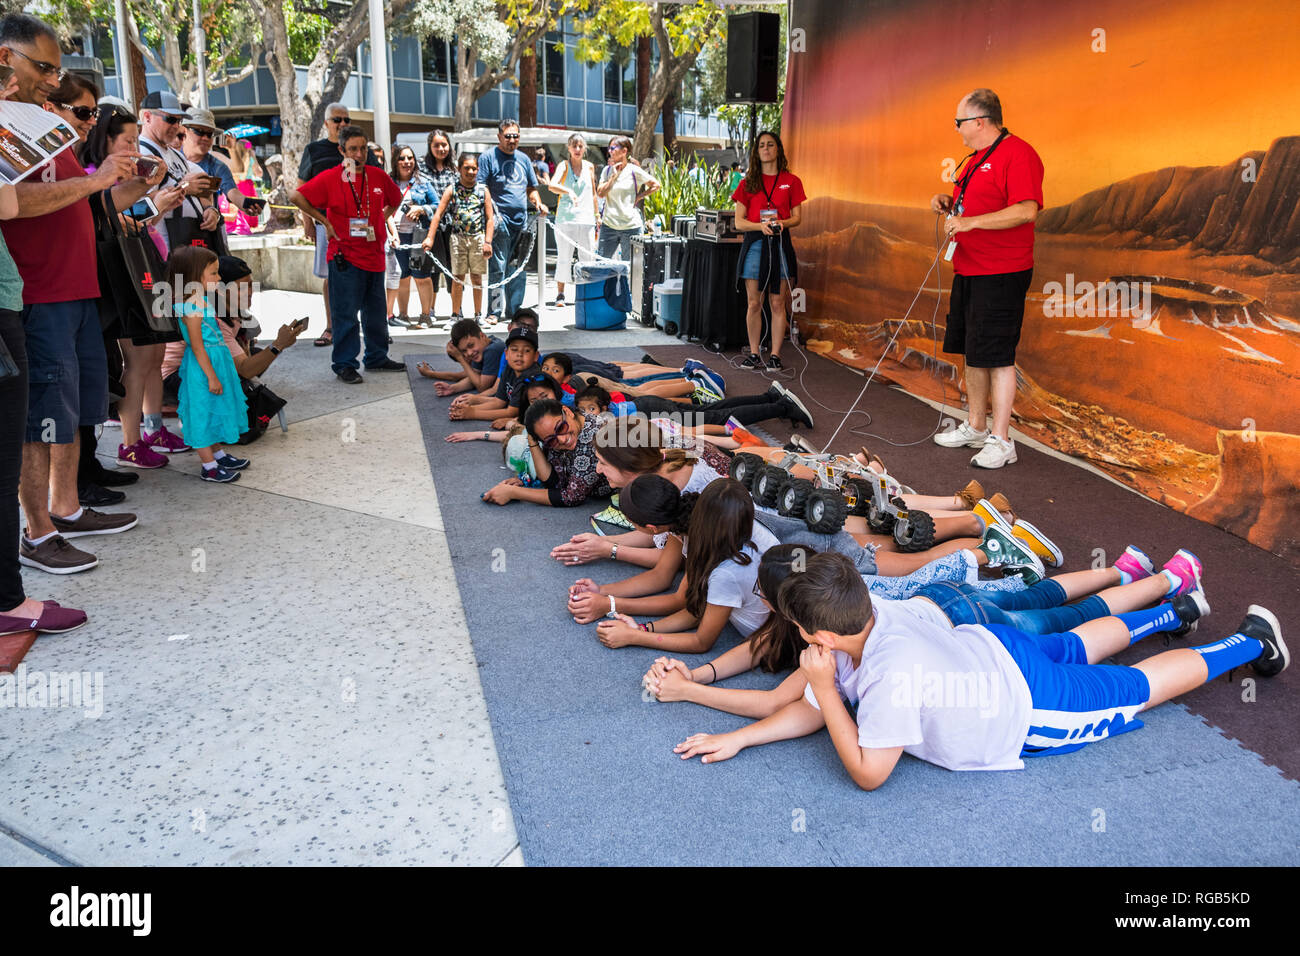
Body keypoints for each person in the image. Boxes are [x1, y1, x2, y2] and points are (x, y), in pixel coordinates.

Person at [673, 551, 1287, 789]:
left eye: (802, 631)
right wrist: (741, 738)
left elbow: (868, 773)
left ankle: (1250, 644)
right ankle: (1175, 607)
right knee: (1078, 641)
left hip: (1025, 705)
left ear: (821, 634)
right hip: (994, 651)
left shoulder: (886, 678)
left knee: (1139, 689)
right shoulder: (872, 609)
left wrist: (828, 693)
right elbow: (803, 710)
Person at [1, 13, 155, 575]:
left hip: (75, 291)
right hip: (38, 293)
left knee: (72, 411)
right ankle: (37, 532)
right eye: (45, 71)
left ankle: (64, 508)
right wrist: (95, 180)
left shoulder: (47, 138)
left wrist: (134, 185)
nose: (52, 84)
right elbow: (13, 203)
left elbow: (84, 205)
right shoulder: (14, 134)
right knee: (41, 418)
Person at [931, 89, 1044, 470]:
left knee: (998, 354)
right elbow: (971, 202)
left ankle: (1002, 439)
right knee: (973, 350)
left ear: (979, 121)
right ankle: (976, 426)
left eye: (959, 122)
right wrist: (948, 204)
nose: (957, 130)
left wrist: (971, 222)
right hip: (969, 266)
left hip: (1003, 271)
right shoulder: (975, 159)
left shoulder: (1019, 153)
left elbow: (1027, 210)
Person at [80, 102, 188, 472]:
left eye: (135, 141)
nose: (133, 149)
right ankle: (131, 441)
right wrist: (152, 201)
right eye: (126, 141)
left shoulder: (124, 178)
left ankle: (154, 430)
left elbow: (136, 223)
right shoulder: (92, 178)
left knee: (155, 356)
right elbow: (112, 224)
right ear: (104, 142)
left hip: (146, 266)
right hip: (122, 276)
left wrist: (154, 203)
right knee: (139, 359)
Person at [593, 477, 779, 652]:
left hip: (769, 636)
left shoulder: (727, 571)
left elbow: (701, 641)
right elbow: (695, 610)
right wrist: (642, 628)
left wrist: (633, 635)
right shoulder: (709, 531)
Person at [290, 124, 405, 384]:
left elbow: (395, 199)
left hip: (374, 255)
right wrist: (324, 223)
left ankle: (377, 357)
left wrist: (380, 218)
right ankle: (344, 364)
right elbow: (296, 196)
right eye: (353, 149)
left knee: (376, 313)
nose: (359, 154)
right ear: (342, 150)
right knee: (346, 314)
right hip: (344, 256)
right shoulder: (331, 177)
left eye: (363, 148)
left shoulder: (377, 175)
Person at [297, 103, 381, 348]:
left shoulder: (364, 150)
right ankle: (332, 326)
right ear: (327, 123)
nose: (342, 124)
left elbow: (379, 181)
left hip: (362, 224)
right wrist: (309, 223)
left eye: (346, 119)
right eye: (337, 120)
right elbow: (301, 187)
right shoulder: (314, 150)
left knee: (366, 273)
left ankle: (369, 329)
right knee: (332, 276)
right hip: (330, 226)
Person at [168, 246, 249, 483]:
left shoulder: (201, 300)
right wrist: (212, 376)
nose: (219, 278)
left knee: (213, 408)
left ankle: (218, 454)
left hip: (216, 361)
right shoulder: (190, 307)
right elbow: (196, 346)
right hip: (203, 366)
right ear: (195, 276)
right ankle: (209, 466)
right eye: (214, 273)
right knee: (201, 413)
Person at [732, 130, 805, 370]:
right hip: (754, 245)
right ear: (757, 151)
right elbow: (738, 222)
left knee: (777, 302)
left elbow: (797, 218)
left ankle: (775, 355)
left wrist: (782, 223)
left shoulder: (791, 181)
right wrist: (760, 227)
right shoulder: (747, 183)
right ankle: (754, 353)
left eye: (770, 144)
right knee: (754, 303)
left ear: (778, 150)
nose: (766, 148)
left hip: (780, 244)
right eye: (761, 145)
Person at [477, 120, 547, 323]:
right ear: (499, 136)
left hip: (521, 223)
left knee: (518, 269)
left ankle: (514, 311)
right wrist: (492, 216)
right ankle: (494, 311)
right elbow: (482, 188)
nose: (512, 140)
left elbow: (531, 188)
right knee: (498, 268)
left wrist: (538, 203)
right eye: (508, 136)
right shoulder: (488, 157)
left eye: (515, 136)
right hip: (499, 223)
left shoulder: (524, 159)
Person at [481, 399, 611, 507]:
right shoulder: (562, 429)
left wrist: (514, 492)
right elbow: (552, 481)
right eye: (550, 440)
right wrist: (532, 441)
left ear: (567, 411)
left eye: (560, 427)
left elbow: (571, 497)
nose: (562, 439)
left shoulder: (594, 438)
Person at [137, 90, 223, 252]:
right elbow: (138, 208)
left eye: (179, 121)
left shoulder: (176, 154)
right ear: (147, 117)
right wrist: (183, 187)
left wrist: (210, 210)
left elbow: (200, 190)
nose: (176, 126)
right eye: (170, 119)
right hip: (164, 247)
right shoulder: (142, 153)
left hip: (188, 244)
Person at [425, 151, 494, 323]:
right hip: (457, 238)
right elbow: (438, 214)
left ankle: (478, 315)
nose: (471, 172)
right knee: (457, 278)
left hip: (478, 237)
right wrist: (430, 238)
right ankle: (455, 315)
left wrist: (488, 242)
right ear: (459, 168)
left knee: (477, 277)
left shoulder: (482, 190)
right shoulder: (452, 189)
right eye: (467, 168)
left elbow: (489, 218)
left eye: (474, 169)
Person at [181, 110, 263, 232]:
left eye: (209, 134)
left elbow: (232, 191)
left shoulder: (217, 165)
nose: (205, 138)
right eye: (199, 132)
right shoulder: (169, 158)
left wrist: (246, 205)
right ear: (184, 131)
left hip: (206, 231)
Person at [386, 144, 438, 329]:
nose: (406, 162)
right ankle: (403, 315)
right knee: (402, 277)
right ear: (395, 162)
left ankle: (425, 315)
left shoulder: (423, 183)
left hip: (418, 236)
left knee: (422, 276)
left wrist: (422, 209)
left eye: (410, 158)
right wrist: (392, 234)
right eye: (402, 158)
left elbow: (437, 205)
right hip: (397, 236)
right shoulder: (388, 182)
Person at [547, 133, 597, 309]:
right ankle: (560, 293)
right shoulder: (564, 165)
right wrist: (569, 191)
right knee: (564, 257)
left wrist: (597, 215)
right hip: (566, 219)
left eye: (580, 146)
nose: (577, 149)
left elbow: (593, 193)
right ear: (568, 148)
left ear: (585, 148)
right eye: (574, 146)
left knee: (588, 258)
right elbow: (552, 185)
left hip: (587, 219)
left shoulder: (590, 167)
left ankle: (586, 293)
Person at [595, 136, 658, 261]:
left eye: (613, 148)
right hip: (609, 226)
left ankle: (625, 282)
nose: (610, 151)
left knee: (630, 269)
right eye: (609, 148)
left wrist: (638, 197)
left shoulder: (634, 171)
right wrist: (613, 177)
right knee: (601, 265)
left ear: (624, 151)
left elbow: (656, 185)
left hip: (631, 227)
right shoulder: (607, 171)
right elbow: (600, 193)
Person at [420, 130, 457, 319]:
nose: (441, 149)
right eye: (436, 145)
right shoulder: (421, 168)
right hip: (429, 226)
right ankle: (430, 309)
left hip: (452, 226)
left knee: (452, 268)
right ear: (430, 147)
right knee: (431, 269)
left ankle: (455, 311)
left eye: (444, 145)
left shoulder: (455, 170)